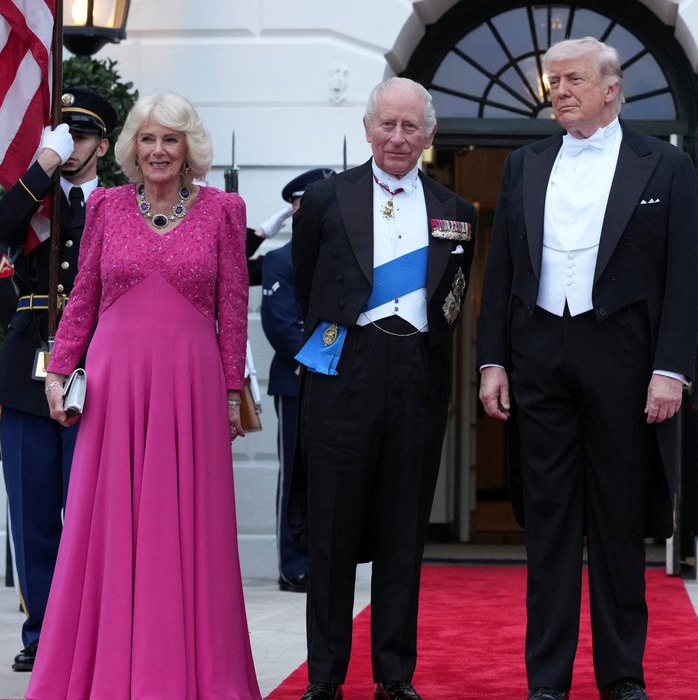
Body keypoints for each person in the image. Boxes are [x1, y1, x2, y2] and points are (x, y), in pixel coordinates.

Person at [477, 37, 698, 700]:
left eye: (573, 78)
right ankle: (545, 681)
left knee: (616, 524)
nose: (559, 90)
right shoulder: (523, 164)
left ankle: (621, 676)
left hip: (624, 361)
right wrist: (493, 359)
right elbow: (503, 270)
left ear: (612, 88)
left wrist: (671, 369)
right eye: (553, 79)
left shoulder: (661, 165)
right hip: (539, 353)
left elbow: (682, 277)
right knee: (548, 526)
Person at [26, 92, 260, 699]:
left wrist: (233, 391)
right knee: (106, 526)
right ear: (132, 147)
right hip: (114, 385)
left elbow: (232, 308)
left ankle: (191, 673)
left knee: (188, 530)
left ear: (189, 150)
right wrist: (58, 372)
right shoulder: (104, 206)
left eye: (171, 140)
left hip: (191, 384)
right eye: (148, 139)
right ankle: (101, 671)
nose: (158, 151)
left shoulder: (223, 211)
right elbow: (83, 298)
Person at [292, 77, 475, 700]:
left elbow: (452, 298)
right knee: (333, 529)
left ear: (429, 137)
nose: (398, 138)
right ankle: (325, 676)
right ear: (367, 128)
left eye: (411, 128)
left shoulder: (457, 210)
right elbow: (305, 284)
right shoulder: (324, 199)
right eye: (388, 125)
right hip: (346, 368)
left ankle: (394, 676)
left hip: (418, 373)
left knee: (403, 530)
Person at [0, 87, 116, 671]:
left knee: (92, 512)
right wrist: (41, 165)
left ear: (103, 146)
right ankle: (41, 631)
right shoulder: (35, 198)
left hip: (98, 366)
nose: (71, 145)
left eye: (82, 136)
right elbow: (0, 224)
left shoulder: (119, 203)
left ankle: (90, 630)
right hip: (28, 364)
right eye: (65, 135)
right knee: (33, 510)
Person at [261, 167, 334, 594]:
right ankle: (294, 564)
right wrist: (326, 362)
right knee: (295, 475)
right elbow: (281, 326)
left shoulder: (346, 253)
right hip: (298, 381)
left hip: (342, 382)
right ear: (296, 208)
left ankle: (327, 560)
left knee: (336, 475)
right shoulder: (280, 259)